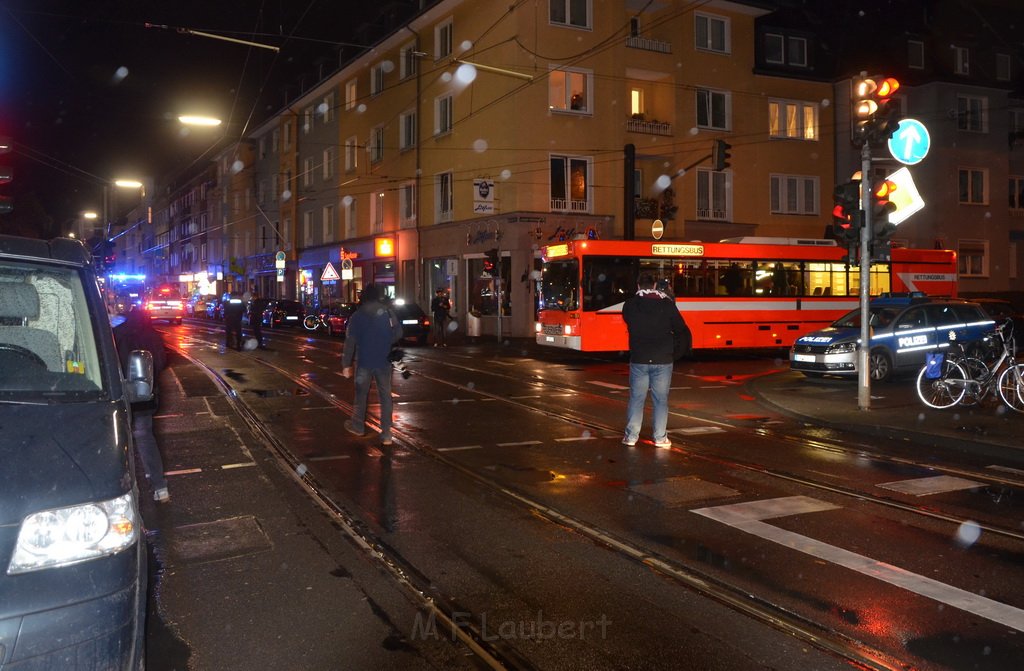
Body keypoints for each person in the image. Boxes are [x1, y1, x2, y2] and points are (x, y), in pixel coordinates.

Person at [621, 274, 691, 449]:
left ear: (638, 286)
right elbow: (681, 330)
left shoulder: (630, 305)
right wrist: (676, 353)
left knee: (637, 398)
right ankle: (660, 438)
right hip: (663, 359)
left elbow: (629, 319)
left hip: (639, 358)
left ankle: (631, 437)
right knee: (660, 400)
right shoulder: (667, 305)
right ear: (654, 285)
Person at [114, 307, 171, 502]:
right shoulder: (152, 335)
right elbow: (162, 361)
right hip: (145, 396)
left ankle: (121, 490)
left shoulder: (118, 334)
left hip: (122, 395)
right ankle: (159, 486)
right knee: (145, 437)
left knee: (118, 441)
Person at [341, 284, 404, 445]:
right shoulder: (387, 312)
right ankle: (387, 434)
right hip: (383, 361)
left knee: (361, 395)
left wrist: (346, 364)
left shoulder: (357, 316)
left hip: (364, 361)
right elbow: (398, 332)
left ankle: (358, 426)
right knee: (385, 396)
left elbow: (350, 342)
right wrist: (385, 341)